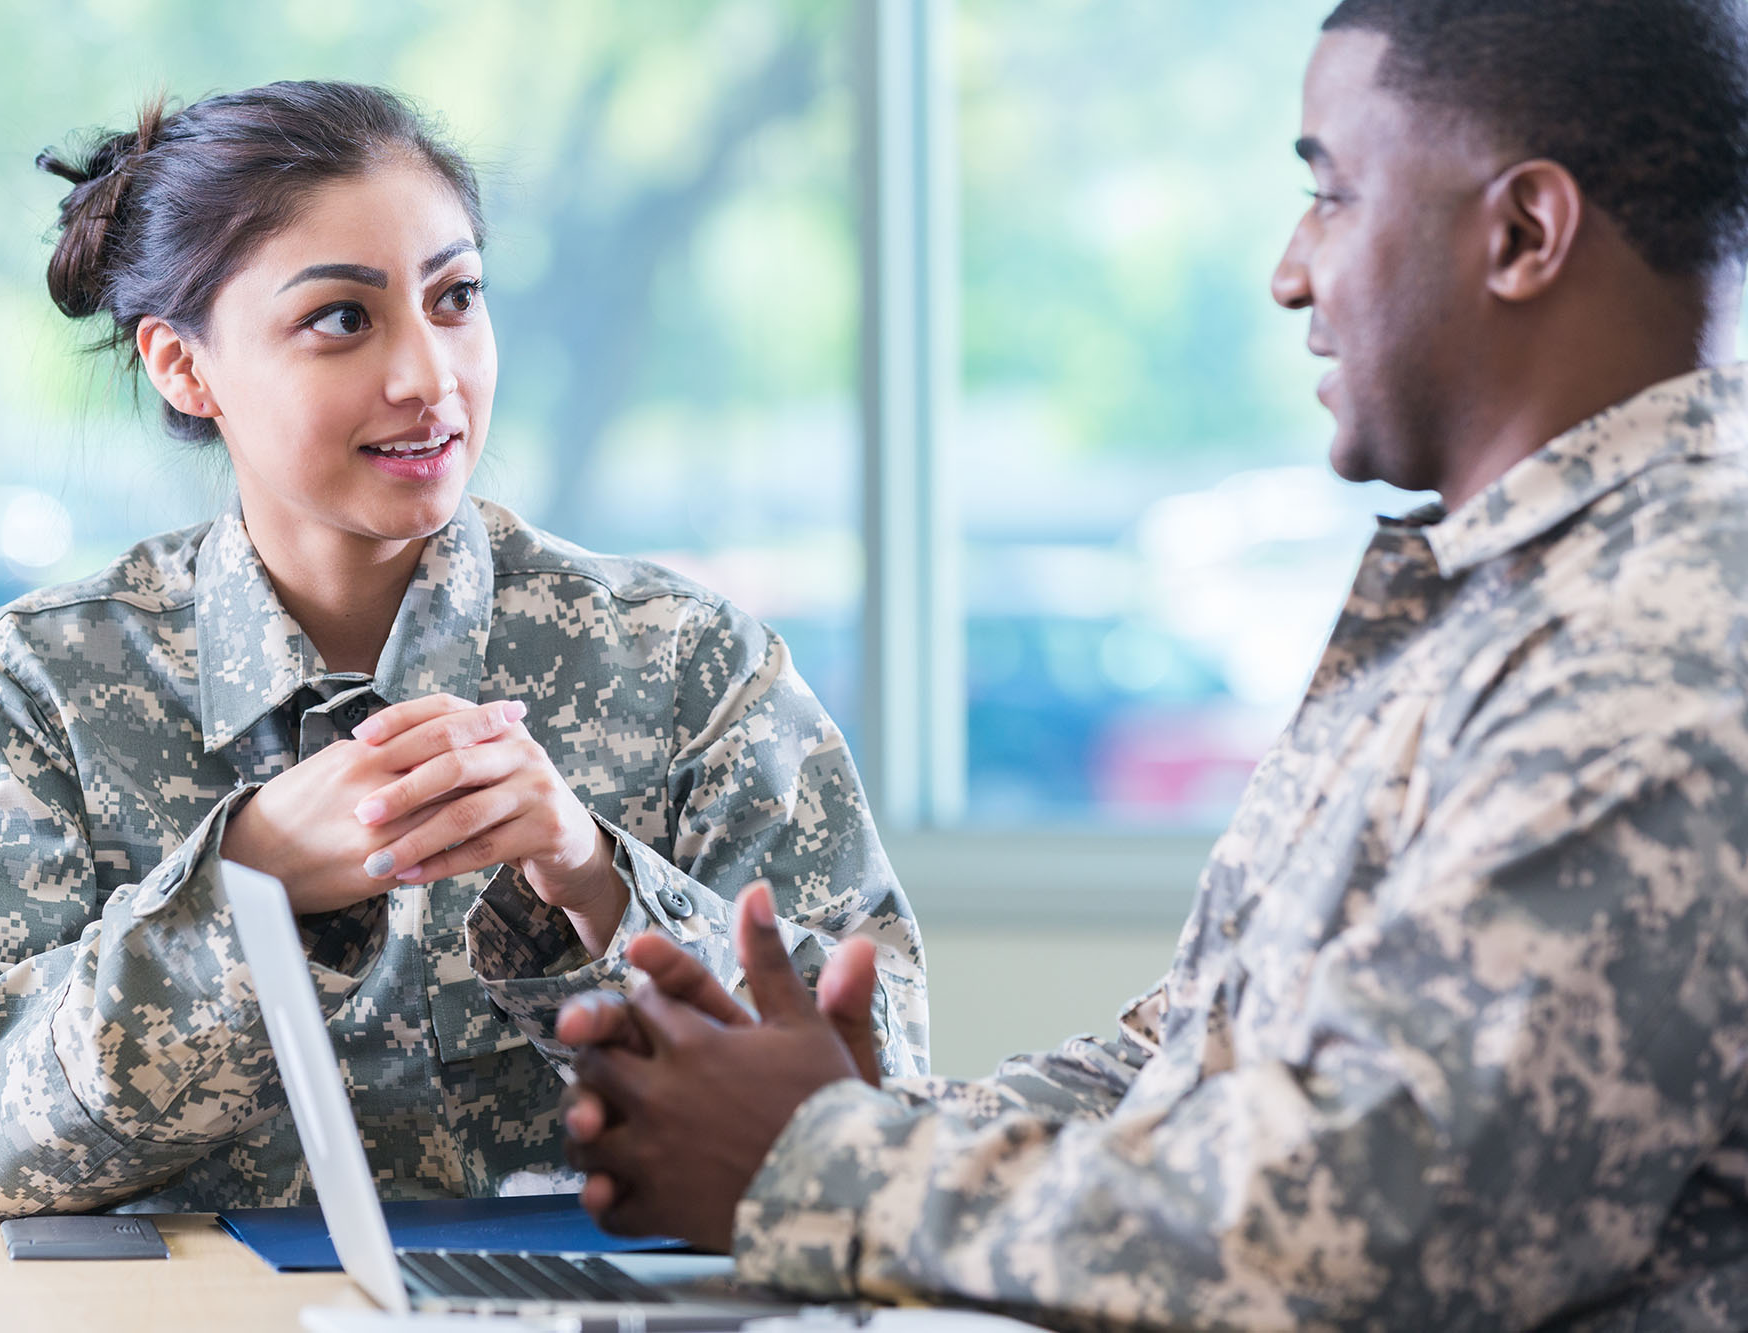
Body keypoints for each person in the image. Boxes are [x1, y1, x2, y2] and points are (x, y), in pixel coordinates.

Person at [556, 1, 1748, 1327]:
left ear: (1522, 233)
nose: (1291, 272)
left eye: (1332, 197)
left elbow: (1362, 1234)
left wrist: (819, 1164)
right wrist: (833, 1111)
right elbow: (1190, 1073)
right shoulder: (1512, 600)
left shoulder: (1667, 643)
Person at [0, 80, 927, 1217]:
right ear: (183, 365)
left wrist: (597, 885)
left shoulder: (687, 665)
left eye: (455, 297)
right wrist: (243, 888)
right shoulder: (34, 691)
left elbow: (879, 1085)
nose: (428, 378)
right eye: (341, 319)